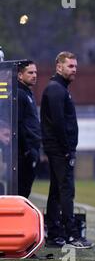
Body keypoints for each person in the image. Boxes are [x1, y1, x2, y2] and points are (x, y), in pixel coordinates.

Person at [40, 51, 93, 249]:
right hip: (60, 150)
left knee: (56, 191)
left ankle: (54, 234)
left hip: (57, 149)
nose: (74, 70)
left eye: (75, 67)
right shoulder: (56, 90)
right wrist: (67, 149)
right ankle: (71, 235)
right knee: (66, 191)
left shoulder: (59, 89)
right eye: (70, 66)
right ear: (59, 67)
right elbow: (59, 123)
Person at [17, 61, 41, 198]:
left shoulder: (28, 93)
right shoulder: (20, 94)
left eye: (35, 72)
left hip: (32, 148)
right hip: (25, 151)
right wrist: (26, 150)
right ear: (20, 75)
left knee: (26, 189)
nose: (34, 75)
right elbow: (18, 123)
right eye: (30, 72)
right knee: (22, 190)